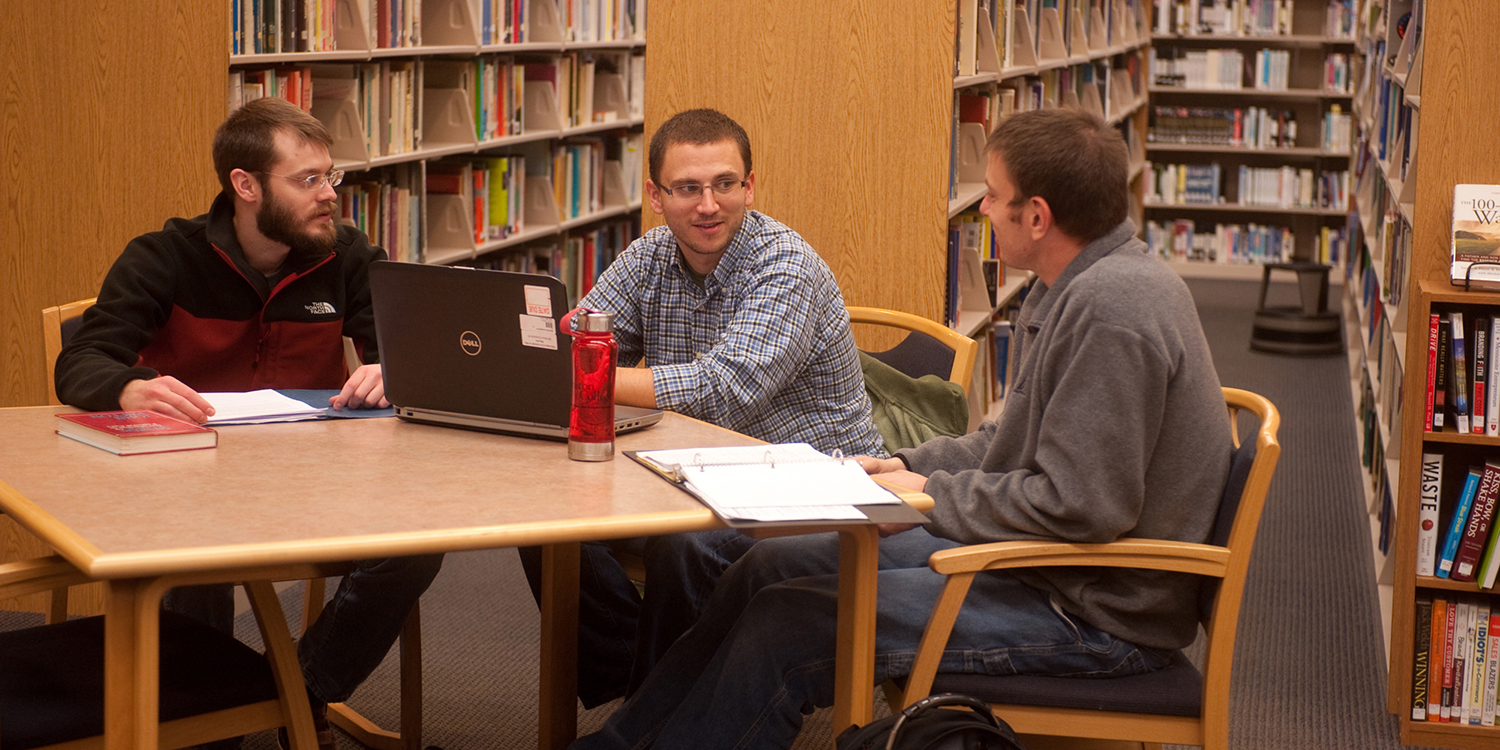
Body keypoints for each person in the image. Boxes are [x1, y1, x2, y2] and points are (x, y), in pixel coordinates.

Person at [569, 107, 1235, 750]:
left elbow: (1084, 505)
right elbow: (1010, 448)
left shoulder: (1113, 309)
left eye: (993, 197)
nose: (980, 212)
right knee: (766, 566)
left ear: (1036, 216)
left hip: (1091, 609)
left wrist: (931, 497)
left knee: (790, 622)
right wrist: (905, 467)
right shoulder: (1066, 287)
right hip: (1044, 564)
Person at [53, 97, 442, 750]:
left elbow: (416, 353)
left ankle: (299, 690)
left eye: (331, 176)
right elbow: (83, 361)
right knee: (189, 556)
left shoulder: (345, 255)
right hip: (187, 484)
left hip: (312, 482)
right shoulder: (166, 257)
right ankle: (207, 729)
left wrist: (398, 371)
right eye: (308, 180)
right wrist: (129, 386)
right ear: (246, 185)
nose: (329, 196)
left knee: (420, 542)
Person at [519, 108, 886, 708]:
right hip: (695, 468)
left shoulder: (784, 265)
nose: (708, 204)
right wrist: (536, 346)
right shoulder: (649, 257)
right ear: (657, 196)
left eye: (725, 184)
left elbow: (723, 391)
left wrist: (591, 371)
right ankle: (640, 683)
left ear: (750, 186)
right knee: (543, 517)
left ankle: (658, 705)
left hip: (812, 478)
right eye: (688, 188)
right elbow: (576, 334)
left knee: (686, 545)